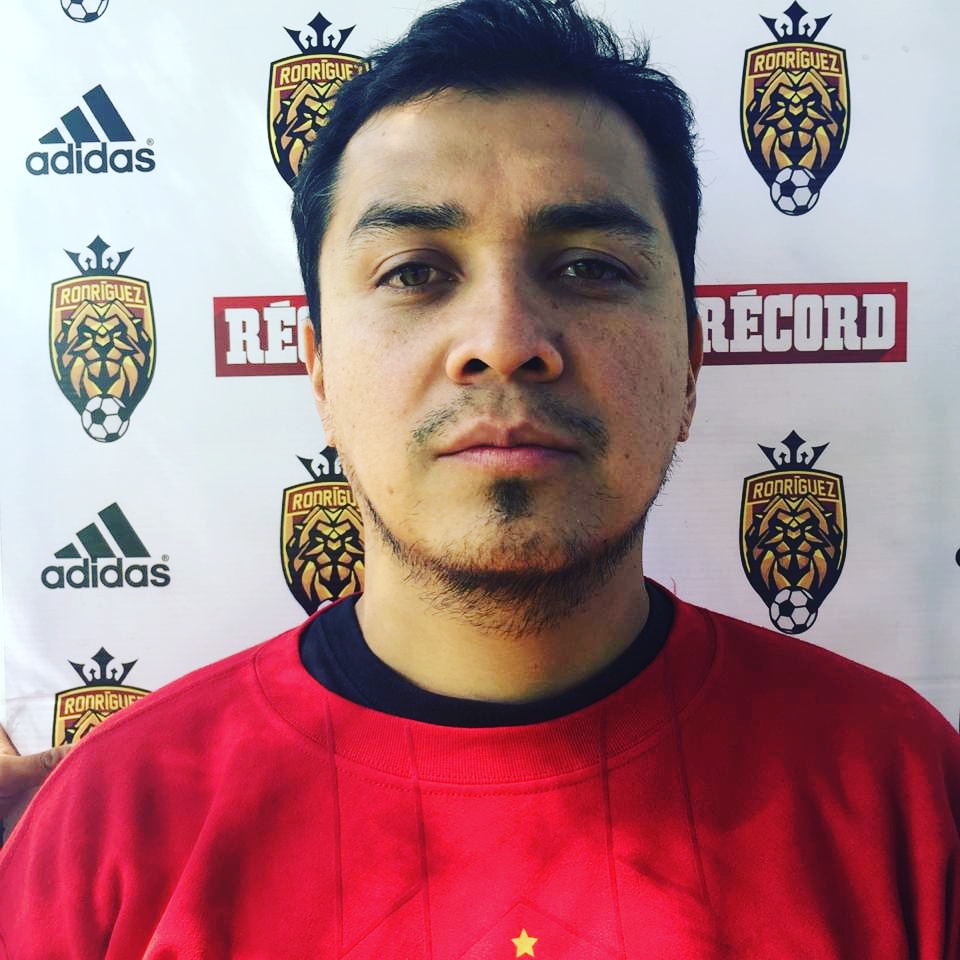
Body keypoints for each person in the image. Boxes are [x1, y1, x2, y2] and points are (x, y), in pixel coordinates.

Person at [1, 0, 958, 956]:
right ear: (319, 370)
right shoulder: (110, 827)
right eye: (415, 272)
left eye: (588, 268)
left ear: (692, 362)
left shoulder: (905, 796)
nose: (503, 341)